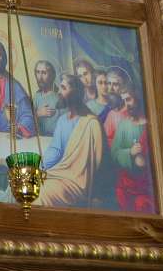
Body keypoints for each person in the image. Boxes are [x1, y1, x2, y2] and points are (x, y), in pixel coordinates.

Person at [35, 73, 104, 208]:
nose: (59, 92)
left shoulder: (91, 123)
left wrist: (96, 194)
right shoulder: (62, 120)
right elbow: (55, 150)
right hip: (59, 173)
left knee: (41, 193)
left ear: (75, 93)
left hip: (77, 182)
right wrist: (39, 167)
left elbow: (98, 162)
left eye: (63, 88)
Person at [111, 88, 153, 213]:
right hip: (126, 184)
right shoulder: (123, 125)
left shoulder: (151, 124)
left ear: (137, 98)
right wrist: (130, 152)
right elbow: (114, 153)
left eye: (128, 99)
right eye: (124, 101)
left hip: (147, 184)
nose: (126, 104)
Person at [32, 59, 59, 136]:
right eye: (38, 72)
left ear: (51, 76)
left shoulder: (59, 97)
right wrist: (37, 114)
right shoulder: (36, 96)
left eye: (44, 73)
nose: (40, 77)